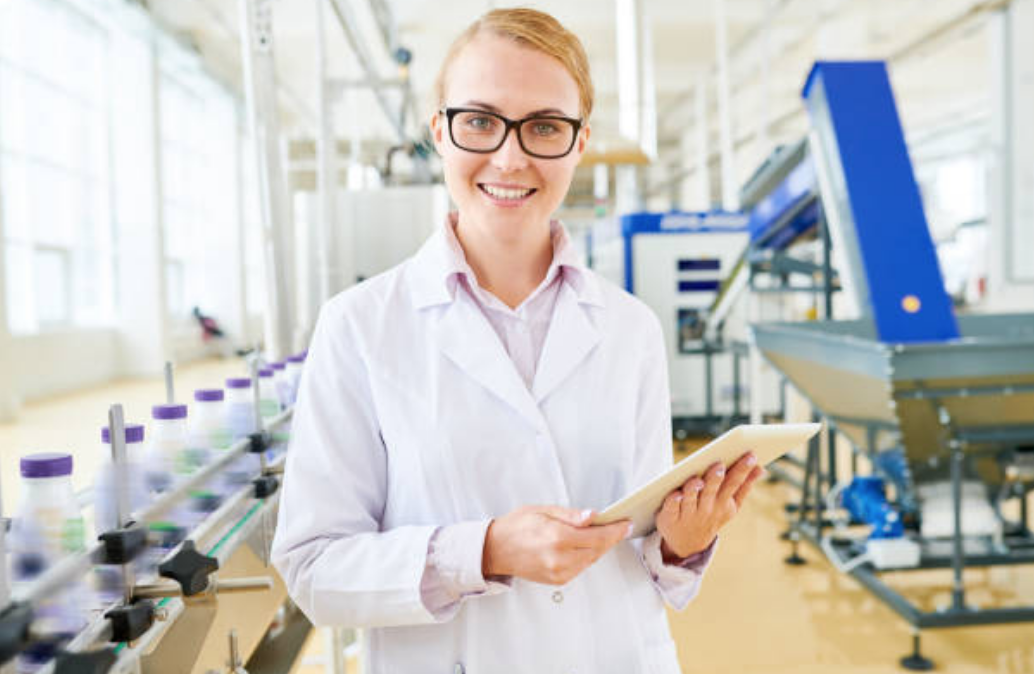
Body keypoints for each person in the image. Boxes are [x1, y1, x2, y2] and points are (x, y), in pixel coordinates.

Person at [271, 8, 763, 673]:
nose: (510, 156)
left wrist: (681, 542)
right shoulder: (360, 325)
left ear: (580, 142)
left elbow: (647, 555)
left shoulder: (629, 328)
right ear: (437, 132)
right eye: (479, 121)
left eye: (544, 127)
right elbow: (313, 569)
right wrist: (485, 550)